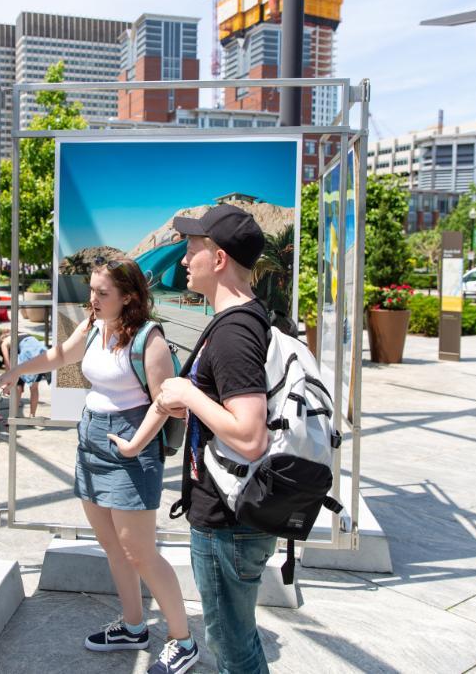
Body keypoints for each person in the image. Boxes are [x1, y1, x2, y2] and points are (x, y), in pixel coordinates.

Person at [0, 257, 200, 674]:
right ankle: (135, 626)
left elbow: (168, 402)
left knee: (140, 552)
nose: (93, 299)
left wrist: (134, 444)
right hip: (91, 442)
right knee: (112, 546)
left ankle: (183, 640)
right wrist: (12, 373)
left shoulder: (149, 338)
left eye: (103, 293)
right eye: (91, 290)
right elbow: (60, 355)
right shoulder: (93, 324)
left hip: (131, 449)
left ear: (129, 297)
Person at [154, 204, 277, 674]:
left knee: (231, 648)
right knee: (236, 640)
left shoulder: (234, 333)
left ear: (219, 258)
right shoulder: (244, 319)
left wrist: (187, 392)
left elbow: (249, 435)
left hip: (229, 520)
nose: (185, 259)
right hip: (231, 514)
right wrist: (194, 399)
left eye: (193, 248)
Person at [0, 327, 51, 417]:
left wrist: (9, 377)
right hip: (40, 354)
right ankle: (32, 416)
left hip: (27, 356)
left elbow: (7, 363)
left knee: (17, 387)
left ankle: (13, 416)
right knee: (34, 388)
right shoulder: (24, 334)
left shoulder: (5, 341)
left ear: (3, 337)